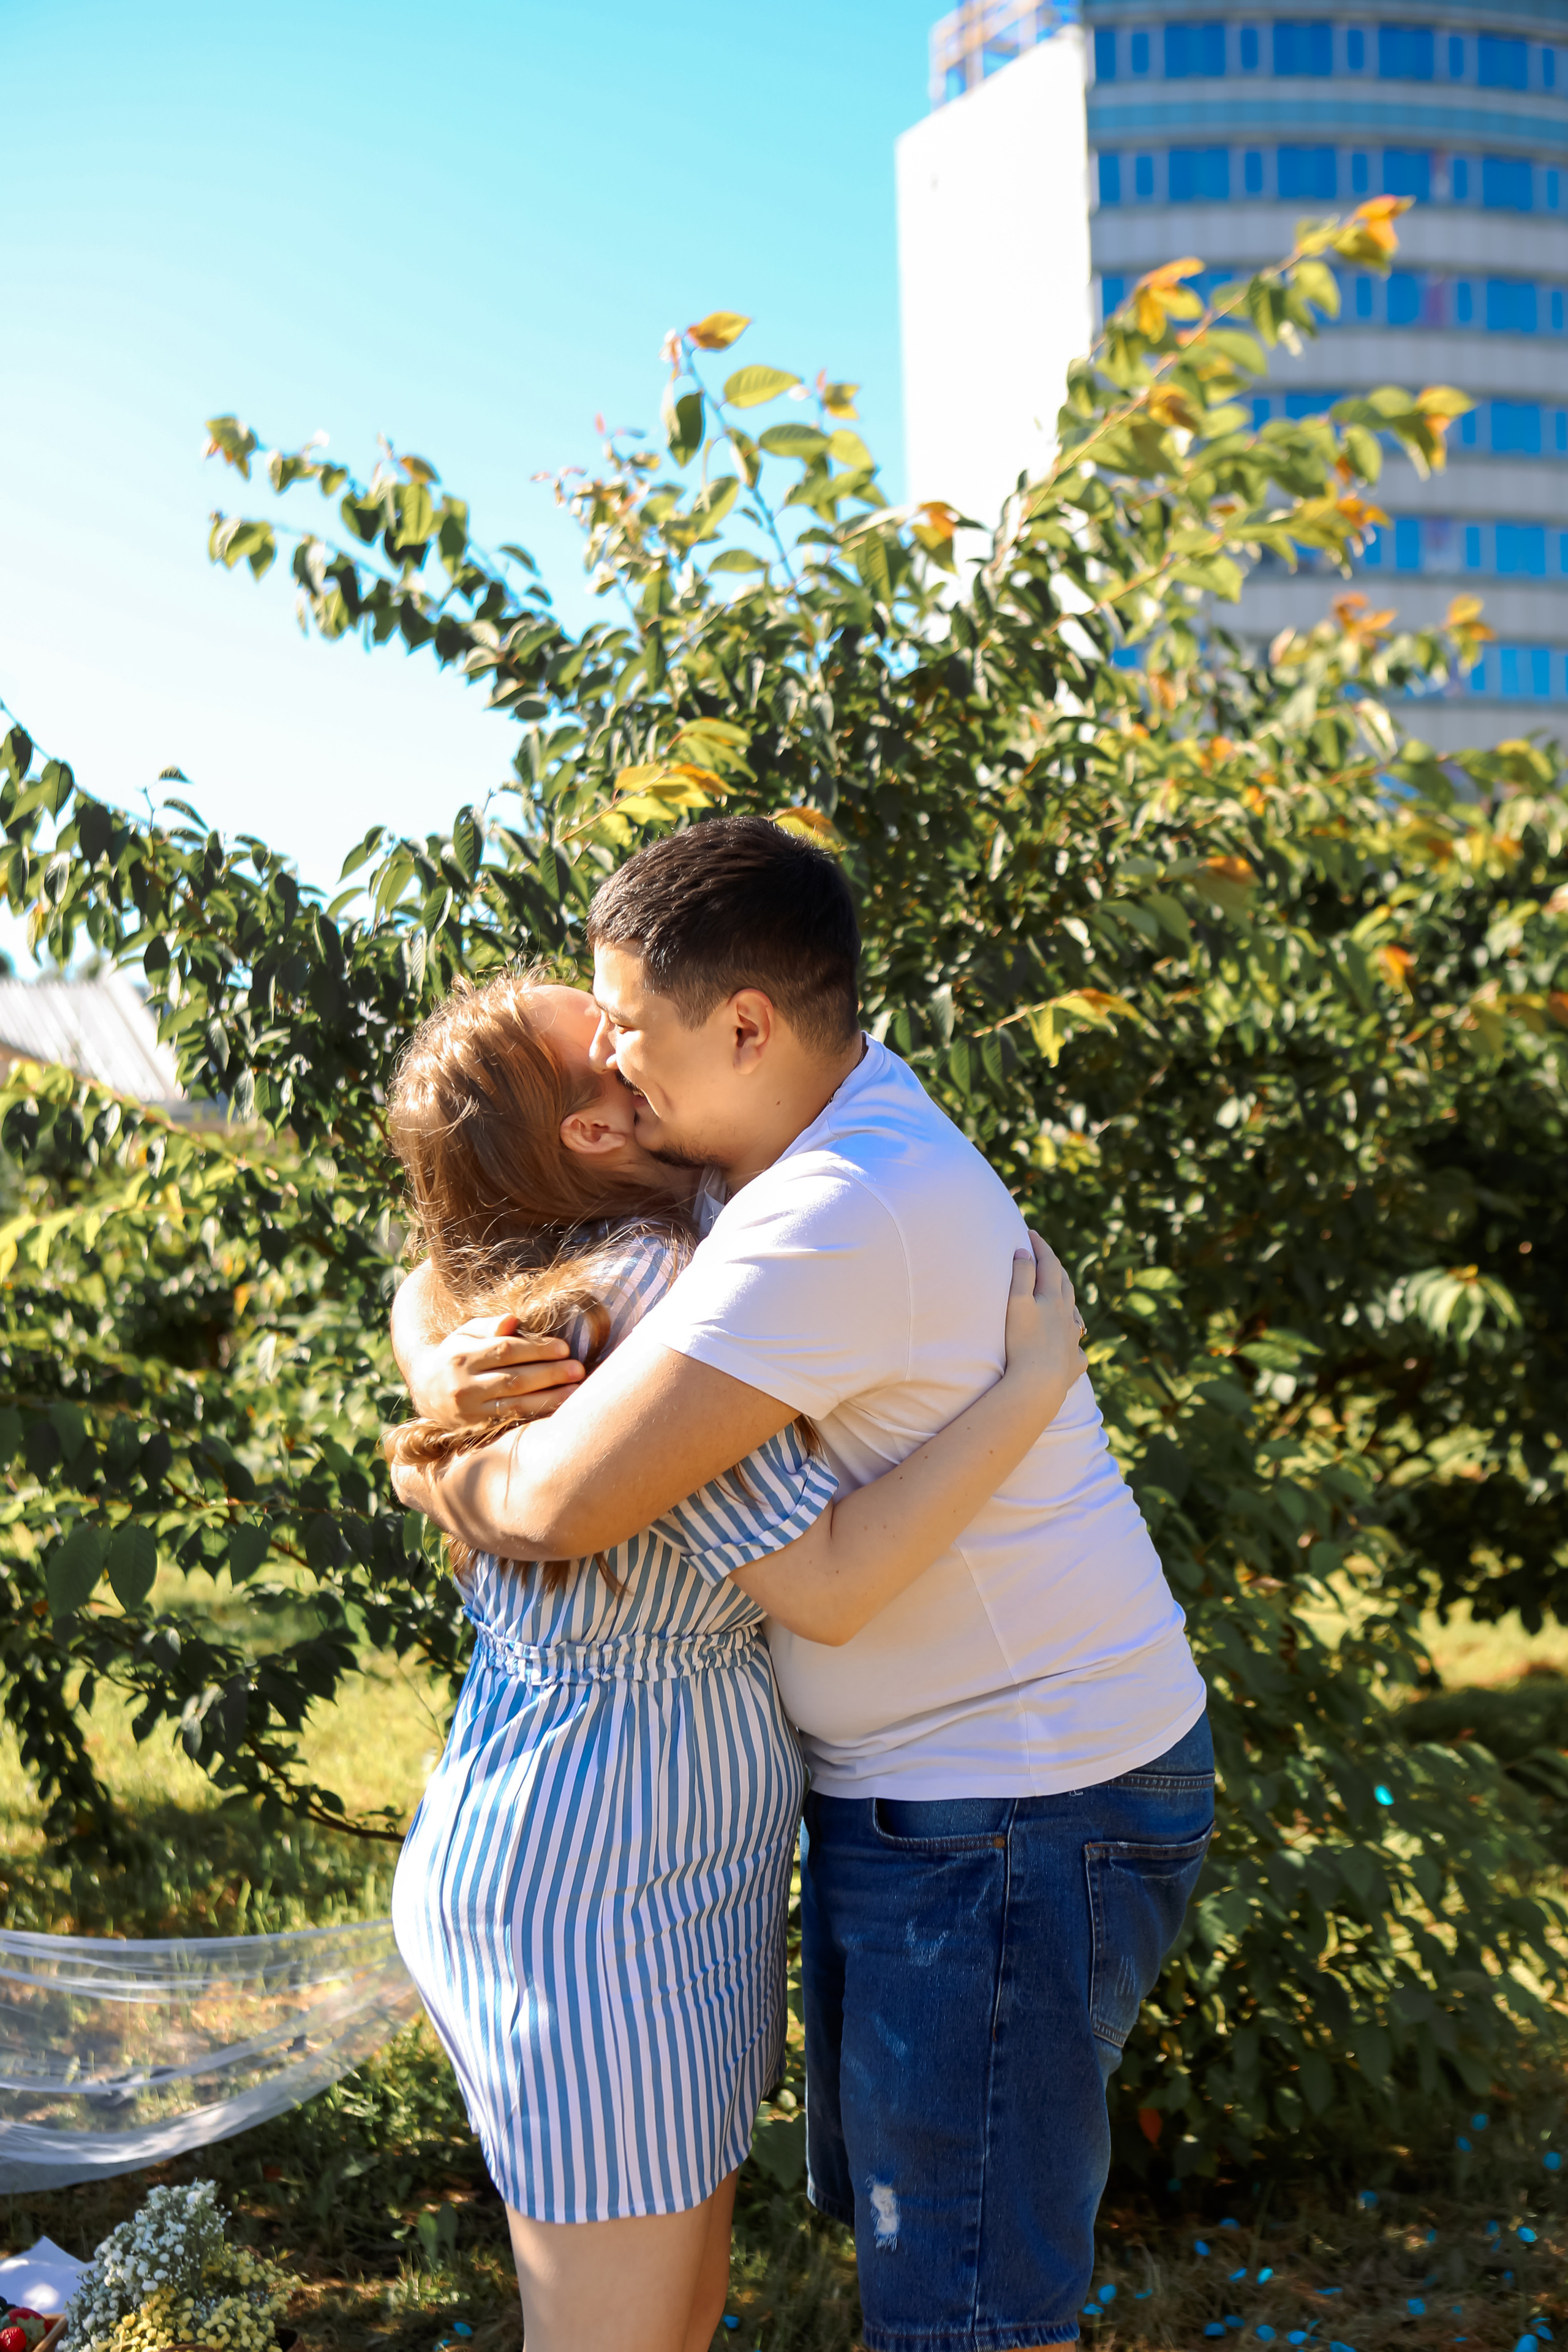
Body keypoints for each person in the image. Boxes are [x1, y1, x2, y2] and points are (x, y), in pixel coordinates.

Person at [393, 816, 1213, 2352]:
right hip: (871, 1816)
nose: (626, 1065)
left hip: (1003, 1806)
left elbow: (580, 1501)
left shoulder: (802, 1217)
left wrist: (432, 1442)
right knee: (910, 2277)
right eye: (605, 1047)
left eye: (628, 1029)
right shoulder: (752, 1158)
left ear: (746, 1028)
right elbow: (460, 1285)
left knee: (955, 2305)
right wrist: (431, 1404)